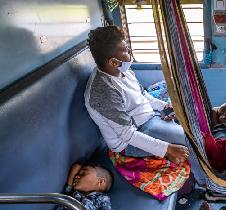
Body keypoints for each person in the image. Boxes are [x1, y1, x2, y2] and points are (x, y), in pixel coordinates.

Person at [84, 26, 205, 184]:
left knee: (192, 113)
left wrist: (165, 107)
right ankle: (205, 183)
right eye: (125, 50)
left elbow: (142, 95)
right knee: (191, 137)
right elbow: (127, 134)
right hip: (132, 138)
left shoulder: (122, 71)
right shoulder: (104, 92)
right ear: (113, 62)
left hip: (149, 118)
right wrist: (167, 148)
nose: (130, 52)